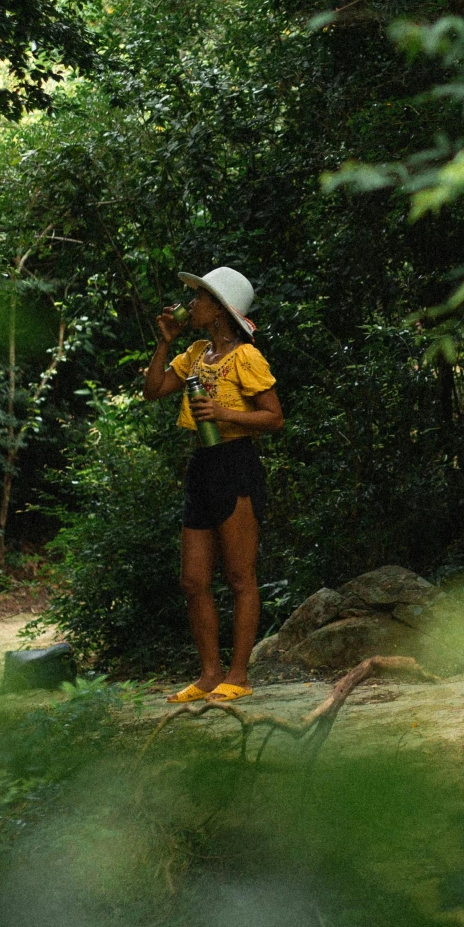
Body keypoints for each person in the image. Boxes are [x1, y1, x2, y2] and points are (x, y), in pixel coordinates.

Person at [144, 266, 283, 703]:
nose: (191, 306)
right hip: (202, 466)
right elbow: (154, 389)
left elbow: (274, 418)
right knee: (193, 580)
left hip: (236, 463)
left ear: (220, 309)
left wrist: (225, 415)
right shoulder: (196, 353)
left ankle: (238, 675)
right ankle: (209, 674)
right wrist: (165, 341)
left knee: (240, 577)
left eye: (200, 298)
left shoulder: (247, 357)